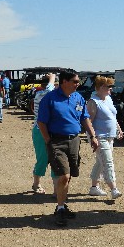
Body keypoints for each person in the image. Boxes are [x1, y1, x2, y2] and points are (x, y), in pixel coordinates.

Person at [37, 69, 99, 226]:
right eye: (75, 81)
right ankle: (60, 209)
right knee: (63, 175)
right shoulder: (50, 99)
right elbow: (41, 122)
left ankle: (62, 205)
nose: (78, 84)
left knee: (69, 175)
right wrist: (48, 140)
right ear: (64, 82)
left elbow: (85, 118)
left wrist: (92, 136)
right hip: (56, 141)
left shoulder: (78, 98)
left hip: (74, 140)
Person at [87, 76, 124, 199]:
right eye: (109, 86)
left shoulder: (108, 99)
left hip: (110, 137)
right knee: (108, 162)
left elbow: (113, 116)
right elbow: (89, 122)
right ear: (101, 87)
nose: (111, 89)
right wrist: (93, 138)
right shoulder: (93, 102)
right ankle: (114, 189)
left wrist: (119, 129)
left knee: (100, 161)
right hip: (99, 137)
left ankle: (93, 187)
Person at [31, 73, 57, 194]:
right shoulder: (41, 95)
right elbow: (49, 92)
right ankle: (36, 184)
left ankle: (57, 188)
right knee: (42, 158)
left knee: (56, 160)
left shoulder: (52, 96)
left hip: (53, 131)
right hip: (40, 131)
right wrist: (52, 79)